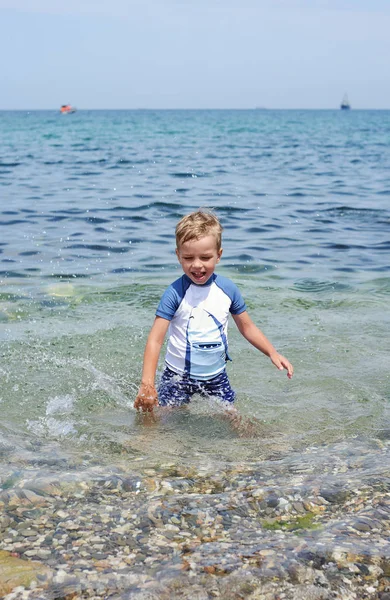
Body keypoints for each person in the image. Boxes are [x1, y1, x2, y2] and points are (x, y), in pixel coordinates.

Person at [134, 210, 293, 412]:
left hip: (216, 376)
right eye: (188, 257)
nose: (197, 265)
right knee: (161, 416)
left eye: (205, 257)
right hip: (177, 376)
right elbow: (155, 340)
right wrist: (147, 383)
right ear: (178, 256)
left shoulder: (227, 290)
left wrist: (272, 352)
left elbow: (248, 328)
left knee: (232, 417)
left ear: (218, 255)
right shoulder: (174, 293)